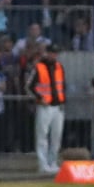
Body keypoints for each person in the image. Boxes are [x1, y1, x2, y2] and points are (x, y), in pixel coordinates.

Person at [26, 44, 66, 174]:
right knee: (42, 136)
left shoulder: (59, 67)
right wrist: (39, 98)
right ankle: (43, 164)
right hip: (45, 106)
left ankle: (52, 162)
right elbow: (28, 86)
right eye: (52, 53)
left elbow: (62, 86)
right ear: (47, 53)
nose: (54, 55)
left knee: (56, 136)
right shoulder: (39, 67)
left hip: (57, 106)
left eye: (55, 53)